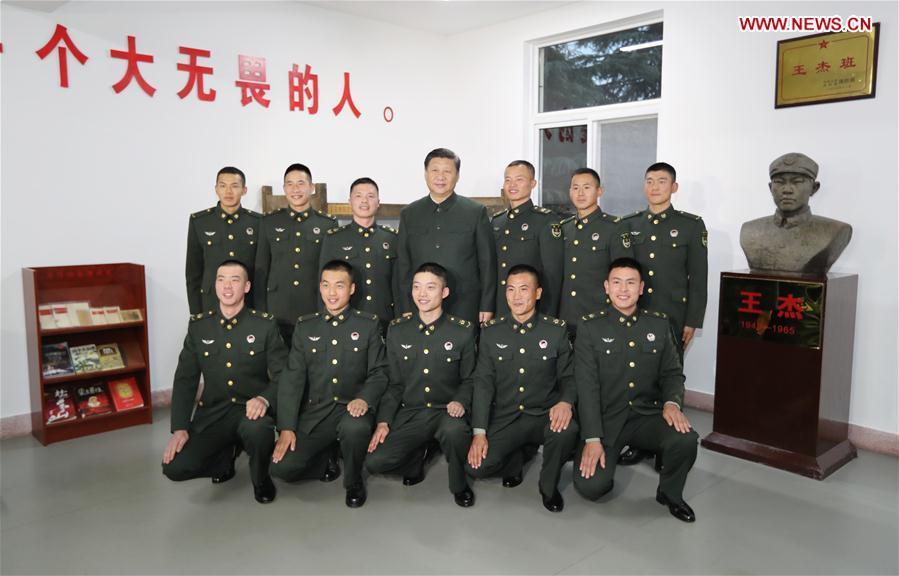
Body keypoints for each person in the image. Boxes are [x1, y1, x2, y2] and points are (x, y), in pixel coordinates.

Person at [574, 257, 699, 522]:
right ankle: (599, 452)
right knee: (592, 487)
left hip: (646, 415)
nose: (623, 289)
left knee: (685, 439)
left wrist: (672, 403)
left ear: (641, 288)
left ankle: (670, 493)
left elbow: (672, 373)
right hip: (606, 419)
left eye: (631, 283)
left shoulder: (659, 324)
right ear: (606, 287)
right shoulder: (589, 327)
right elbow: (586, 387)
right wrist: (593, 438)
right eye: (617, 282)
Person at [163, 260, 287, 504]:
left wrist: (264, 398)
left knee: (259, 430)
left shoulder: (264, 325)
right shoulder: (200, 326)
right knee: (175, 467)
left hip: (249, 411)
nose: (227, 286)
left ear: (247, 286)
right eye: (221, 279)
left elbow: (285, 374)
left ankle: (261, 478)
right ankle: (225, 456)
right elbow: (186, 378)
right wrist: (179, 427)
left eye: (235, 280)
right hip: (213, 412)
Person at [271, 260, 388, 508]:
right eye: (326, 285)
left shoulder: (368, 325)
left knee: (354, 429)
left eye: (339, 286)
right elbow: (293, 379)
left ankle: (354, 480)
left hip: (352, 409)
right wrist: (287, 427)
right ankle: (326, 458)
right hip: (318, 411)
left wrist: (364, 399)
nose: (331, 293)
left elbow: (379, 372)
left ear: (352, 289)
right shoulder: (305, 326)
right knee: (282, 467)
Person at [614, 162, 707, 466]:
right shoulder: (628, 224)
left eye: (662, 181)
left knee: (669, 377)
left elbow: (698, 278)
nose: (655, 187)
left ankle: (666, 445)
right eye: (650, 181)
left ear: (674, 187)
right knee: (639, 375)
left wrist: (693, 320)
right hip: (635, 315)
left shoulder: (691, 226)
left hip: (671, 317)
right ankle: (643, 440)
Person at [466, 264, 578, 512]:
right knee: (476, 467)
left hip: (543, 414)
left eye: (524, 289)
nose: (516, 296)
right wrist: (479, 431)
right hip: (507, 416)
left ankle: (548, 487)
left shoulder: (555, 330)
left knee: (567, 431)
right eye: (511, 289)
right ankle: (519, 454)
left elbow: (569, 377)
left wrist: (565, 402)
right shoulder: (491, 332)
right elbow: (483, 383)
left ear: (537, 293)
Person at [366, 263, 477, 507]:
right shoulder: (398, 330)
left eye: (430, 287)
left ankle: (459, 484)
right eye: (417, 287)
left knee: (454, 432)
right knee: (375, 461)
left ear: (444, 293)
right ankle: (418, 454)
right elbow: (395, 384)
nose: (422, 294)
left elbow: (470, 379)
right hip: (413, 411)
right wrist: (384, 421)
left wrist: (460, 401)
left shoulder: (462, 332)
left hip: (447, 410)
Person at [396, 148, 497, 325]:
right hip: (421, 305)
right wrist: (405, 306)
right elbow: (403, 265)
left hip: (464, 304)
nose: (440, 177)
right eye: (435, 170)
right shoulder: (410, 214)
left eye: (447, 171)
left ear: (457, 176)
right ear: (426, 173)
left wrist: (486, 305)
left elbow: (487, 263)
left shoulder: (475, 212)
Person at [255, 163, 338, 344]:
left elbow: (332, 273)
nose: (295, 189)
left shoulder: (327, 224)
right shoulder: (269, 222)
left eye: (301, 183)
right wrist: (261, 313)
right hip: (277, 309)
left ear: (311, 187)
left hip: (314, 308)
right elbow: (261, 270)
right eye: (290, 184)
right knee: (278, 367)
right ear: (284, 189)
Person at [740, 152, 852, 276]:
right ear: (770, 188)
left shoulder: (834, 231)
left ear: (814, 188)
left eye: (797, 182)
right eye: (779, 182)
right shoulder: (750, 231)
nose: (787, 190)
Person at [319, 177, 398, 334]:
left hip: (384, 316)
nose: (364, 201)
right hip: (347, 318)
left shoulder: (391, 237)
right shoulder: (335, 238)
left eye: (370, 196)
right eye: (358, 196)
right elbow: (323, 281)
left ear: (378, 202)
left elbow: (399, 280)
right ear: (350, 202)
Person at [559, 168, 629, 339]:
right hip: (565, 318)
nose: (580, 193)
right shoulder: (563, 228)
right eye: (575, 188)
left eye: (587, 187)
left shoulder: (614, 227)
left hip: (599, 317)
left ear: (599, 191)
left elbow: (624, 275)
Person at [490, 160, 564, 318]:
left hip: (532, 310)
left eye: (519, 179)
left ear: (533, 183)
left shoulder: (545, 220)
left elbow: (552, 274)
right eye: (508, 180)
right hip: (501, 308)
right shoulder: (497, 221)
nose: (512, 185)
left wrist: (547, 315)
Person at [186, 167, 262, 315]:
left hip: (248, 302)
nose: (228, 191)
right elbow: (193, 272)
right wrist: (196, 312)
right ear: (216, 189)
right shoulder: (200, 221)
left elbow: (261, 270)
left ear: (244, 190)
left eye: (234, 186)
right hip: (210, 302)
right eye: (223, 186)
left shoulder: (258, 222)